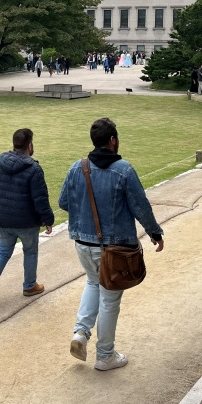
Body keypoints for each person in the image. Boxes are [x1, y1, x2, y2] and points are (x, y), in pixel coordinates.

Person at [59, 117, 164, 371]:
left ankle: (81, 332)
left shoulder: (77, 167)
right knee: (109, 299)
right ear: (113, 140)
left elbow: (64, 202)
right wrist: (155, 233)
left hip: (82, 243)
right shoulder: (124, 170)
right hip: (113, 247)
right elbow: (140, 206)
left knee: (94, 282)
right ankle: (105, 355)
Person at [0, 128, 54, 306]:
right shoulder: (34, 168)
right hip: (26, 222)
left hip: (1, 219)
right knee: (30, 251)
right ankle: (29, 286)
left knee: (4, 250)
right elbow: (40, 199)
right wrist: (48, 220)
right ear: (30, 145)